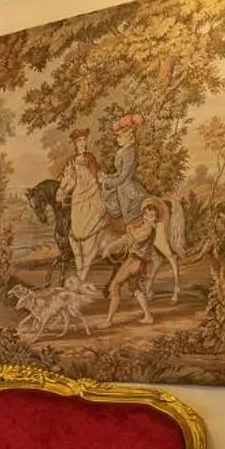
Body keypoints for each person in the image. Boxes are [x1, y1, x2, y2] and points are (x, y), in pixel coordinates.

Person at [102, 199, 163, 328]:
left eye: (152, 215)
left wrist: (110, 248)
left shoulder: (147, 230)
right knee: (134, 287)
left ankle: (108, 321)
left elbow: (129, 239)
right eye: (146, 214)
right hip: (141, 264)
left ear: (156, 218)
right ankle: (148, 316)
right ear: (144, 215)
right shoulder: (149, 229)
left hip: (134, 262)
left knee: (115, 285)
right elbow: (131, 238)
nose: (148, 217)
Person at [56, 129, 107, 281]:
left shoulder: (90, 158)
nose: (82, 143)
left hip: (93, 194)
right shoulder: (71, 161)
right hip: (79, 196)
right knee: (73, 221)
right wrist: (61, 190)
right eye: (79, 141)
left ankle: (98, 231)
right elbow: (67, 178)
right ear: (75, 144)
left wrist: (101, 178)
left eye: (84, 140)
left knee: (99, 210)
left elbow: (97, 174)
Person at [102, 113, 148, 221]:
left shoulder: (130, 152)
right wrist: (106, 177)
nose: (117, 139)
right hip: (120, 184)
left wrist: (107, 182)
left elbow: (123, 177)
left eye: (119, 136)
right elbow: (119, 173)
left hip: (126, 188)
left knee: (109, 203)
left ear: (129, 136)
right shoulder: (123, 151)